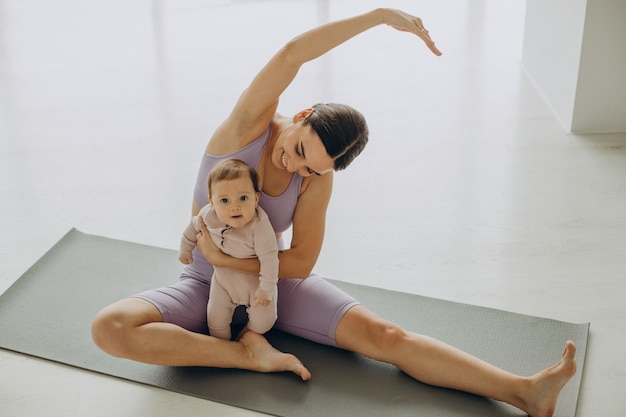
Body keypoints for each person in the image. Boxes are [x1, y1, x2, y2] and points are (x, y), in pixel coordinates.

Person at [92, 8, 576, 416]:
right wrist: (379, 16)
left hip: (272, 282)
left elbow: (299, 263)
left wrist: (231, 264)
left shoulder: (316, 178)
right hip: (203, 285)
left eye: (311, 165)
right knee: (109, 328)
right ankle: (246, 355)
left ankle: (524, 391)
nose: (295, 164)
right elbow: (291, 55)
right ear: (301, 116)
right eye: (300, 148)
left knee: (386, 334)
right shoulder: (245, 127)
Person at [178, 159, 278, 341]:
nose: (235, 206)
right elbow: (192, 228)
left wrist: (266, 289)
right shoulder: (208, 215)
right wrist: (186, 249)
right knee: (215, 321)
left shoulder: (259, 225)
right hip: (223, 282)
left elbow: (270, 258)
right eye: (224, 200)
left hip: (255, 284)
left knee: (264, 322)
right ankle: (223, 345)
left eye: (243, 198)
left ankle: (247, 337)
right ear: (212, 202)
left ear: (256, 198)